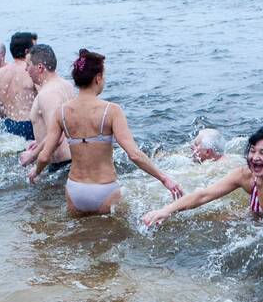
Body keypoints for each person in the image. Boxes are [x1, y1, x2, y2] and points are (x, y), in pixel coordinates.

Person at [29, 48, 183, 215]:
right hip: (104, 189)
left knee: (77, 238)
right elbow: (134, 154)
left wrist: (35, 172)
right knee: (110, 238)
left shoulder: (62, 112)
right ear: (98, 78)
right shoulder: (112, 111)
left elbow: (44, 156)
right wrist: (164, 179)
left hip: (75, 190)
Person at [143, 126, 263, 246]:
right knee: (210, 221)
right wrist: (166, 210)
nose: (255, 157)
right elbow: (204, 195)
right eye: (252, 151)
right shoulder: (245, 176)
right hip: (260, 221)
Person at [19, 44, 72, 173]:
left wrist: (33, 156)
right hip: (71, 160)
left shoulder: (47, 94)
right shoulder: (66, 85)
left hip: (62, 165)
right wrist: (40, 142)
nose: (26, 70)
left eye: (28, 65)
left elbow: (57, 135)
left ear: (40, 67)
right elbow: (65, 126)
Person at [0, 32, 38, 138]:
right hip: (29, 125)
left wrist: (1, 111)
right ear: (27, 51)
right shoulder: (31, 70)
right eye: (34, 49)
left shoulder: (0, 73)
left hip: (9, 124)